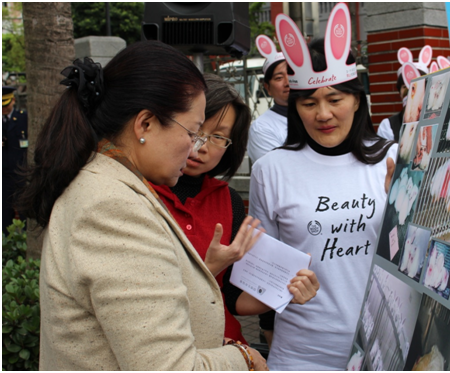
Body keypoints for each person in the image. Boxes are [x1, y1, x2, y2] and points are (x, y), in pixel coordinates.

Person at [16, 42, 268, 370]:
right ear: (145, 124)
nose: (196, 147)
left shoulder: (106, 184)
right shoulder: (113, 208)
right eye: (192, 131)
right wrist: (244, 357)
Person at [249, 4, 397, 369]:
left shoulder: (391, 160)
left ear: (357, 99)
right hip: (303, 354)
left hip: (389, 345)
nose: (323, 114)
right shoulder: (270, 170)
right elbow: (261, 273)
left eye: (335, 99)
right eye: (309, 102)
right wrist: (282, 286)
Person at [150, 74, 319, 345]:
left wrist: (285, 289)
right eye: (196, 129)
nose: (201, 146)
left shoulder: (227, 200)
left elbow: (232, 296)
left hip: (224, 347)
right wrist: (207, 268)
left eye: (218, 137)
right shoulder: (137, 192)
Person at [247, 36, 289, 163]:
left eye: (292, 75)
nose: (288, 83)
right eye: (279, 78)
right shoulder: (262, 128)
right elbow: (279, 172)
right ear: (268, 88)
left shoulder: (319, 115)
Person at [2, 86, 28, 234]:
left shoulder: (23, 118)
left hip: (20, 172)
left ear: (13, 100)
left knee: (24, 210)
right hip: (3, 175)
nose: (4, 109)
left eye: (6, 105)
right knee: (4, 213)